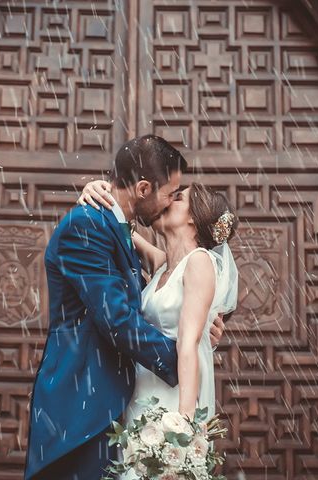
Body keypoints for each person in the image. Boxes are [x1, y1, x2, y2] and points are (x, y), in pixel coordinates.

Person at [24, 135, 225, 480]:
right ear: (144, 188)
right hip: (82, 407)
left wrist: (202, 333)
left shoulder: (119, 230)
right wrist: (185, 358)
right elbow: (117, 319)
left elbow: (170, 296)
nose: (168, 203)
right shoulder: (86, 225)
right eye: (170, 193)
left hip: (116, 406)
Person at [78, 179, 239, 480]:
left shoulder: (199, 262)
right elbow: (123, 226)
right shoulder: (164, 265)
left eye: (177, 198)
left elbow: (188, 344)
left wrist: (184, 425)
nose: (165, 201)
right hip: (144, 393)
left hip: (174, 395)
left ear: (194, 217)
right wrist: (96, 192)